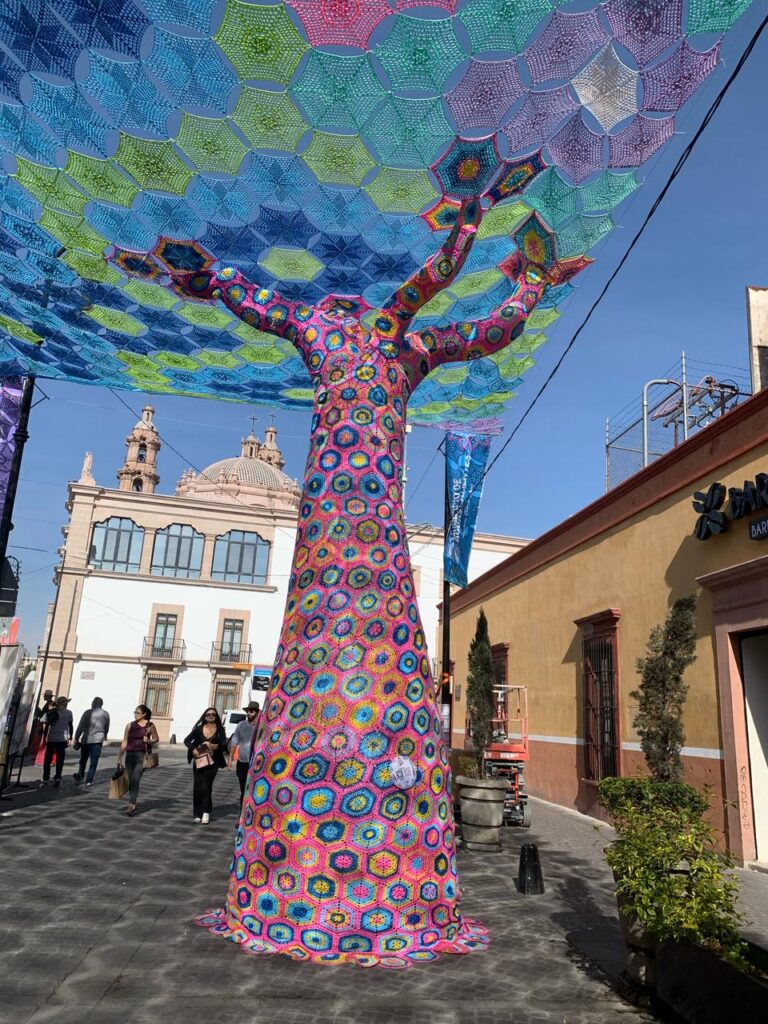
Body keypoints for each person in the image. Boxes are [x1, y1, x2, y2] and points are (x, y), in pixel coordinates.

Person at [184, 707, 227, 824]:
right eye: (208, 714)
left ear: (216, 716)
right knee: (198, 786)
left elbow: (224, 743)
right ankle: (197, 813)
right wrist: (193, 749)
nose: (210, 715)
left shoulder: (220, 730)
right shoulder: (198, 729)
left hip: (213, 762)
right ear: (205, 716)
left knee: (206, 786)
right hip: (199, 761)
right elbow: (186, 740)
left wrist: (214, 746)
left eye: (213, 714)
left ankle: (206, 811)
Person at [118, 704, 158, 817]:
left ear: (144, 714)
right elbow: (124, 741)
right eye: (134, 712)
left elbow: (156, 738)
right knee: (131, 779)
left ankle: (131, 804)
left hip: (142, 755)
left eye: (138, 713)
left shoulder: (150, 725)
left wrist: (149, 741)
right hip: (129, 755)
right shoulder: (129, 725)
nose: (135, 715)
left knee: (136, 778)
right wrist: (119, 757)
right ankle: (133, 801)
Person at [228, 701, 260, 807]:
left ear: (257, 712)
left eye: (251, 711)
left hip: (256, 764)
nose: (248, 713)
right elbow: (234, 741)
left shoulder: (261, 725)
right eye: (247, 711)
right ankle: (242, 816)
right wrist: (230, 759)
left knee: (254, 790)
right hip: (242, 763)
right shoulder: (241, 725)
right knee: (243, 790)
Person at [73, 697, 110, 785]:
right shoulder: (106, 714)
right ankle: (89, 780)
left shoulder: (87, 712)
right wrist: (104, 736)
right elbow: (107, 727)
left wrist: (76, 737)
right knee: (94, 761)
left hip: (86, 739)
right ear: (101, 704)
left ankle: (80, 776)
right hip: (98, 740)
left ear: (93, 703)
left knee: (83, 759)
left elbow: (81, 726)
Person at [42, 695, 74, 786]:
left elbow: (47, 725)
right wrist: (70, 737)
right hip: (62, 739)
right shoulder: (69, 713)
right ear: (64, 704)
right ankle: (58, 777)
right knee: (60, 759)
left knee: (47, 759)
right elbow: (70, 725)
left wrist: (45, 737)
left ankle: (45, 777)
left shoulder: (51, 712)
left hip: (51, 738)